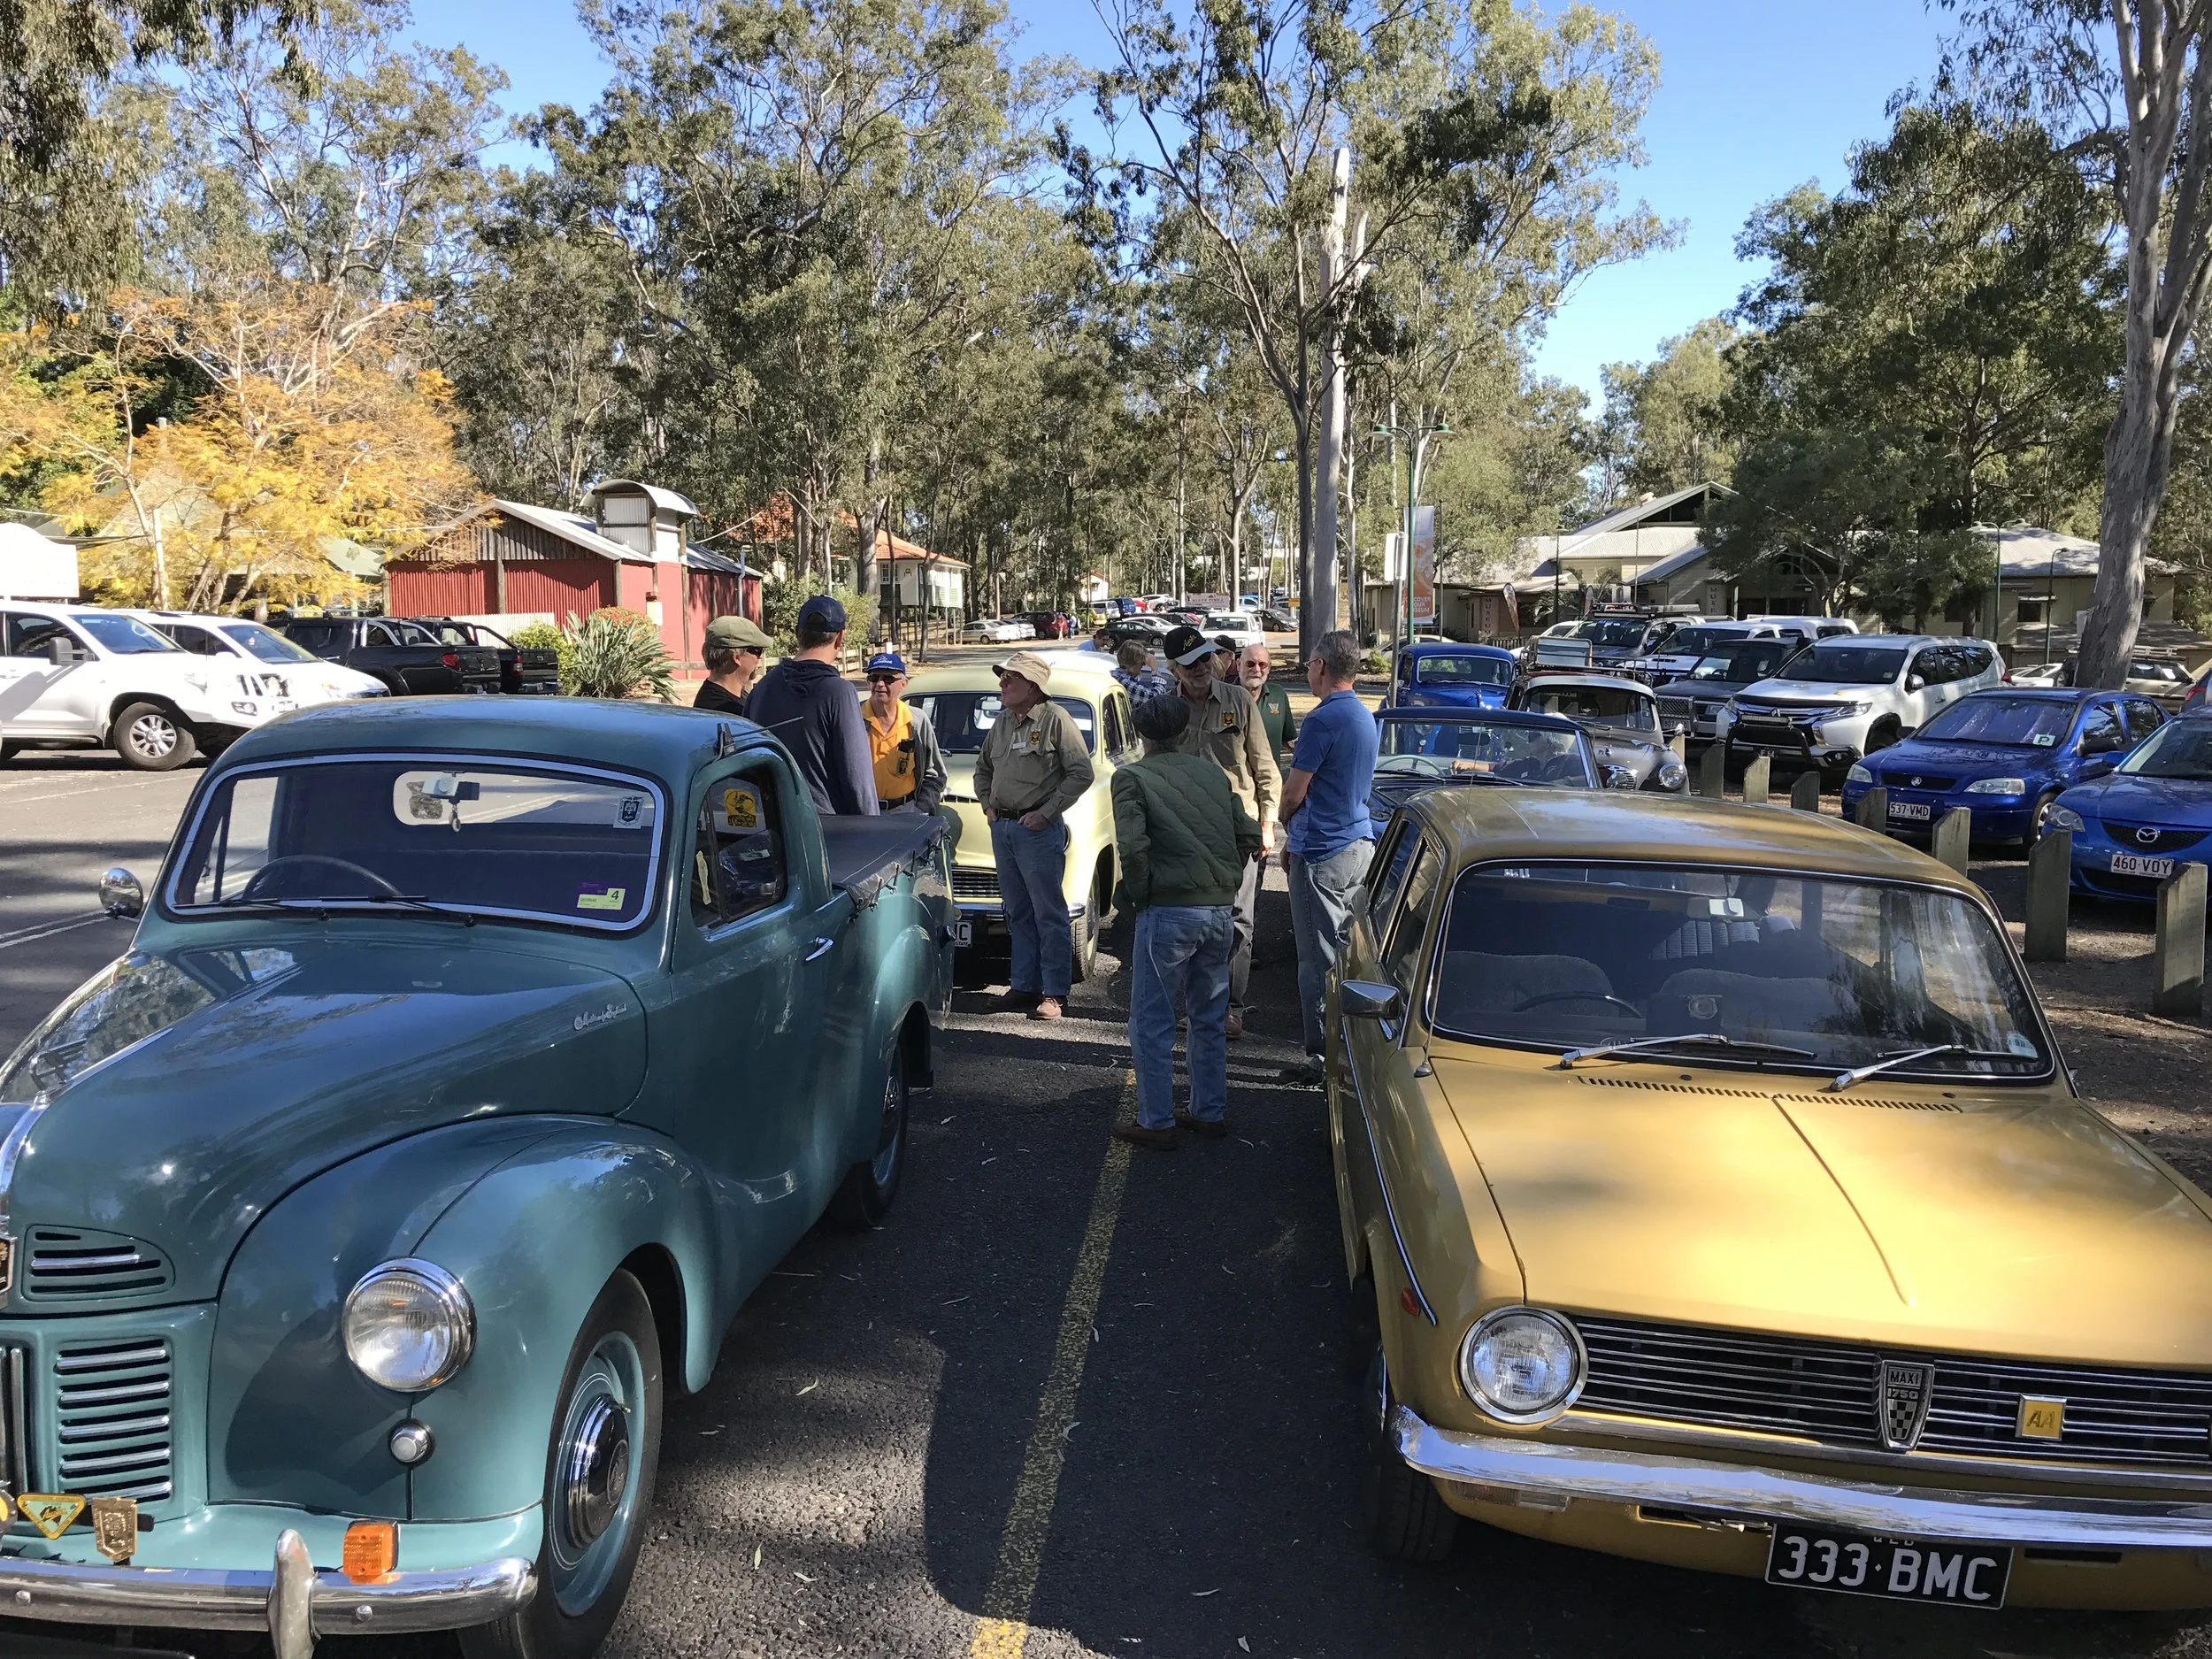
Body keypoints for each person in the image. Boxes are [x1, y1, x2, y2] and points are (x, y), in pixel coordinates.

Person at [1110, 695, 1262, 1150]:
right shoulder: (1213, 774)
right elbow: (1248, 833)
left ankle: (1156, 1120)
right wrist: (1226, 877)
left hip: (1169, 908)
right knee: (1209, 1016)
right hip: (1217, 908)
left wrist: (1141, 894)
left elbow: (1133, 847)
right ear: (1183, 733)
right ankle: (1208, 1111)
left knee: (1152, 1020)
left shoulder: (1132, 777)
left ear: (1142, 735)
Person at [1161, 624, 1279, 1041]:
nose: (1201, 668)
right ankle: (1199, 1005)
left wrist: (1267, 823)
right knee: (1193, 921)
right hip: (1186, 832)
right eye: (1190, 663)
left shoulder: (1238, 701)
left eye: (1205, 658)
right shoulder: (1166, 710)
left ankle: (1231, 1007)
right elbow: (1156, 771)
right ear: (1174, 669)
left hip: (1236, 828)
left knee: (1238, 919)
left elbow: (1264, 765)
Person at [973, 649, 1095, 1021]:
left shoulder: (1055, 719)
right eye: (1002, 676)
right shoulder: (1003, 722)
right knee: (1017, 912)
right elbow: (983, 769)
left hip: (1037, 831)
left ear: (1033, 686)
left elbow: (1081, 773)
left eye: (1010, 678)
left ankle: (1054, 993)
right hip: (1004, 829)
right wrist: (988, 805)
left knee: (1048, 913)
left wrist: (1046, 813)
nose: (1002, 683)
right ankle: (1024, 985)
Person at [1281, 629, 1379, 1084]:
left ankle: (1323, 1059)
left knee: (1317, 962)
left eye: (1310, 664)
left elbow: (1294, 792)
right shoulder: (1362, 714)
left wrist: (1287, 826)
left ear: (1321, 666)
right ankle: (1350, 1051)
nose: (1308, 672)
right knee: (1349, 953)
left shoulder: (1322, 720)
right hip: (1357, 842)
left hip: (1323, 850)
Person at [746, 595, 878, 816]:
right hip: (825, 828)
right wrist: (874, 828)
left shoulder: (762, 688)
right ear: (840, 638)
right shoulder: (838, 693)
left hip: (770, 823)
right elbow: (858, 780)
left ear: (797, 633)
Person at [860, 651, 945, 813]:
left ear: (904, 684)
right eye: (874, 678)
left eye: (888, 679)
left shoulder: (917, 720)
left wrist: (922, 809)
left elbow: (934, 774)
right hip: (864, 813)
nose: (880, 684)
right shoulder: (853, 716)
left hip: (907, 811)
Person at [694, 614, 771, 716]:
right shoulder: (727, 712)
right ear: (736, 657)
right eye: (758, 651)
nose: (760, 657)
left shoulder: (729, 695)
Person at [1240, 642, 1298, 774]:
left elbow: (1289, 739)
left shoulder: (1278, 695)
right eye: (1250, 664)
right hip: (1234, 782)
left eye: (1262, 665)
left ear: (1269, 668)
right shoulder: (1225, 696)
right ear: (1239, 665)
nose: (1256, 669)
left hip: (1268, 781)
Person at [1112, 640, 1173, 704]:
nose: (1143, 665)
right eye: (1142, 662)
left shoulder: (1120, 677)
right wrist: (1154, 669)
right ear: (1132, 662)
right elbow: (1157, 699)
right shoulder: (1123, 683)